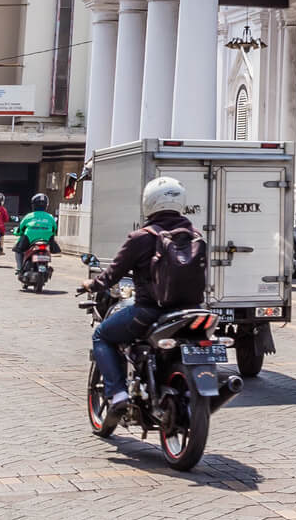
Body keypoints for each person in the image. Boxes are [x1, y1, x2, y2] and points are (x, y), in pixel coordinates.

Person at [78, 177, 206, 415]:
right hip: (192, 310)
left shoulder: (141, 237)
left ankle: (117, 393)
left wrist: (90, 284)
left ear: (149, 202)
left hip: (150, 311)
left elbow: (111, 275)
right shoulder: (194, 235)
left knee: (102, 335)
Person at [13, 194, 59, 269]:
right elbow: (54, 230)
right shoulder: (50, 217)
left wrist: (16, 232)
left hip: (29, 239)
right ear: (46, 205)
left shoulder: (29, 216)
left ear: (33, 205)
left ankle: (19, 268)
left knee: (18, 250)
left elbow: (20, 229)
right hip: (46, 239)